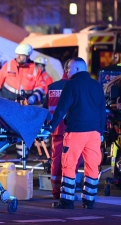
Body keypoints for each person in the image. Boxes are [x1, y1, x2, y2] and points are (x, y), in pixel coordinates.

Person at [47, 57, 106, 209]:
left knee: (69, 164)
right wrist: (101, 131)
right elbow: (101, 110)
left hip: (76, 132)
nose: (67, 71)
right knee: (92, 165)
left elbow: (61, 109)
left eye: (69, 68)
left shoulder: (71, 84)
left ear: (78, 69)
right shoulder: (97, 85)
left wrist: (50, 127)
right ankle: (89, 200)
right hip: (94, 133)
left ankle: (67, 201)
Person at [43, 59, 82, 199]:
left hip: (56, 131)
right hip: (72, 130)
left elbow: (45, 109)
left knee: (56, 162)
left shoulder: (52, 87)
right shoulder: (76, 86)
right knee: (71, 162)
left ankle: (56, 191)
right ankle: (67, 192)